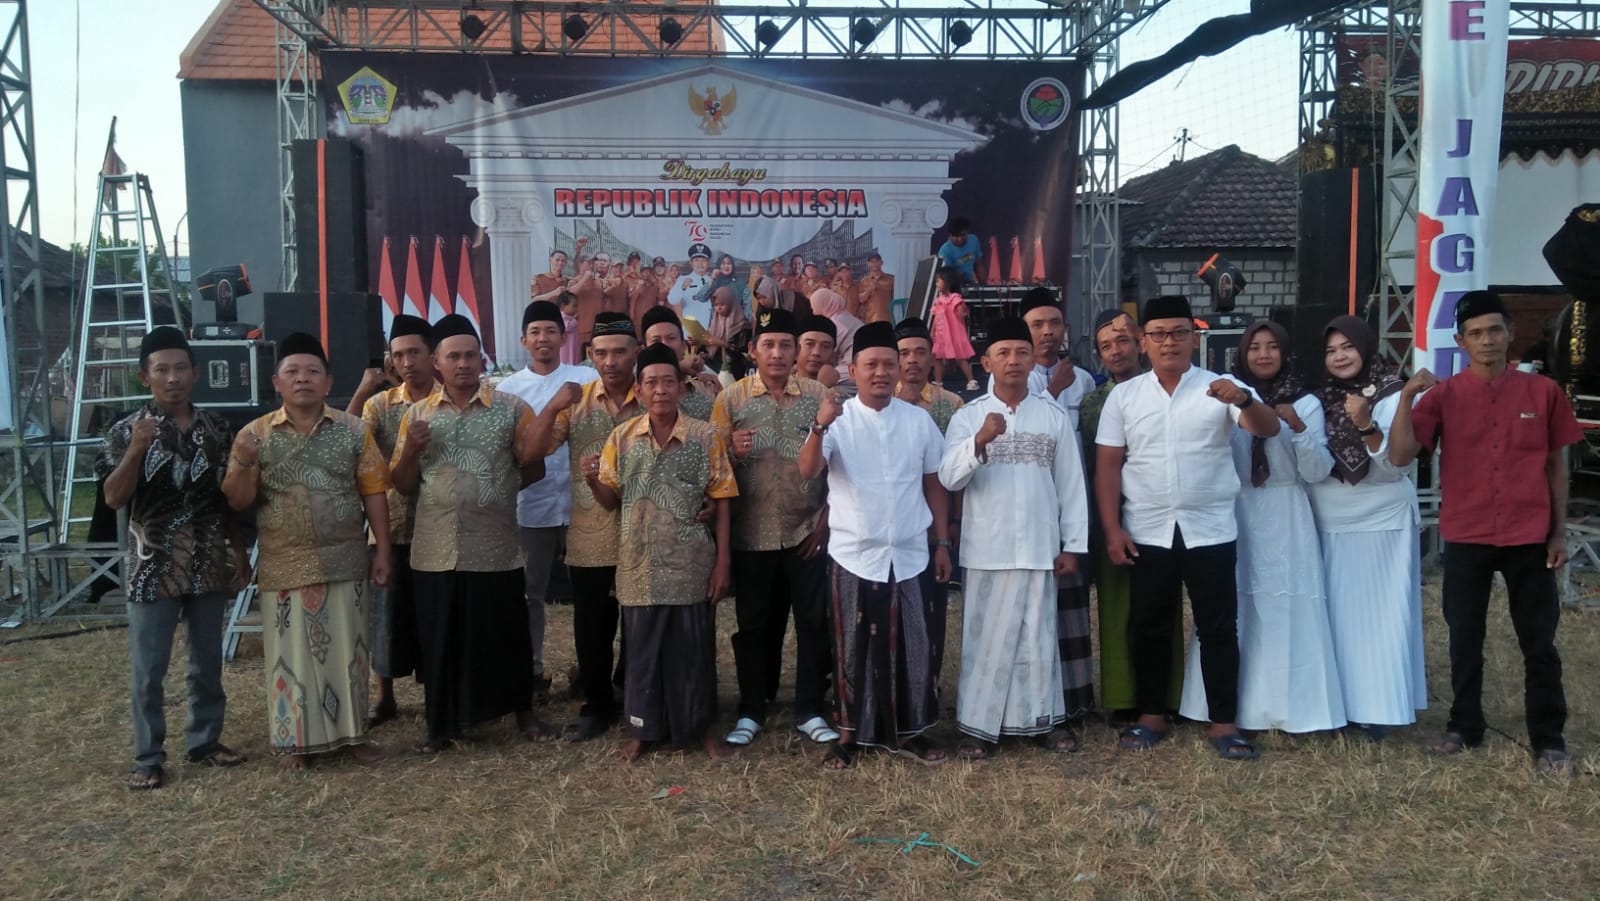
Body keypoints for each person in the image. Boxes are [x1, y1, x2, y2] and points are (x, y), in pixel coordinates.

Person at [1387, 291, 1581, 773]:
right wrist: (1407, 397)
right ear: (1461, 342)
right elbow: (1400, 455)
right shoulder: (1444, 396)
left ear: (1510, 334)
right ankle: (1464, 726)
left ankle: (1549, 738)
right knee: (1464, 636)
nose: (1487, 340)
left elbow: (1556, 466)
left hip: (1529, 533)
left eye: (1495, 330)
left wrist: (1558, 533)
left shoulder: (1543, 393)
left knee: (1539, 641)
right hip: (1467, 531)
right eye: (1475, 333)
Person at [1095, 296, 1281, 761]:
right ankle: (1151, 716)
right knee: (1150, 625)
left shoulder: (1220, 387)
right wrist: (1112, 529)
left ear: (1194, 339)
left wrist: (1243, 399)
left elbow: (1267, 428)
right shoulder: (1125, 396)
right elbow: (1108, 465)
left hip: (1210, 528)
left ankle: (1224, 723)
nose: (1169, 342)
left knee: (1218, 627)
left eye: (1179, 332)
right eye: (1158, 334)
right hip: (1148, 529)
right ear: (1143, 342)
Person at [222, 333, 391, 770]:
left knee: (351, 651)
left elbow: (373, 491)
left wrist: (382, 550)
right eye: (292, 372)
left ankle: (354, 737)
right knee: (291, 655)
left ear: (328, 381)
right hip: (285, 562)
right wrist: (243, 462)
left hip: (345, 558)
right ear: (276, 382)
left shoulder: (354, 430)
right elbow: (237, 501)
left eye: (313, 371)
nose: (303, 379)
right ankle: (293, 742)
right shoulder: (253, 435)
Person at [388, 314, 554, 752]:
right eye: (453, 357)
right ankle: (440, 727)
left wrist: (497, 489)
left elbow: (533, 465)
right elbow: (402, 484)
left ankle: (522, 712)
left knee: (506, 633)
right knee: (439, 639)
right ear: (437, 363)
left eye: (470, 356)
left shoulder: (510, 409)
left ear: (483, 360)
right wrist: (410, 451)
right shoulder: (417, 415)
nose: (463, 364)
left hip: (495, 544)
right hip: (435, 547)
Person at [798, 321, 953, 769]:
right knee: (852, 647)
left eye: (889, 364)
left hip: (910, 552)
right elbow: (807, 470)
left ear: (899, 369)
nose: (881, 372)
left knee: (915, 643)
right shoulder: (837, 419)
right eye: (871, 365)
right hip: (854, 554)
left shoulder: (918, 421)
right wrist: (818, 425)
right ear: (854, 370)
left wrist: (942, 542)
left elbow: (934, 484)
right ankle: (849, 734)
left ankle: (912, 730)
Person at [1177, 321, 1345, 735]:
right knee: (1231, 608)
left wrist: (1299, 429)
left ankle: (1292, 708)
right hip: (1236, 508)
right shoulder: (1223, 394)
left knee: (1285, 608)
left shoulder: (1305, 402)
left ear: (1286, 353)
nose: (1264, 354)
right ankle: (1234, 705)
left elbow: (1317, 470)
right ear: (1242, 353)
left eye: (1272, 347)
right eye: (1255, 347)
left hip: (1286, 512)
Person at [100, 327, 249, 790]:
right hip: (152, 564)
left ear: (195, 373)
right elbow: (112, 498)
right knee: (150, 668)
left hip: (207, 558)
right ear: (144, 377)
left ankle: (204, 741)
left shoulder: (217, 428)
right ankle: (148, 756)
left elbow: (227, 498)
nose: (173, 378)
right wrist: (136, 449)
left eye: (181, 368)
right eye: (162, 370)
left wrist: (239, 552)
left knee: (207, 661)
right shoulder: (125, 430)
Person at [940, 317, 1089, 758]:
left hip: (1041, 547)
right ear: (986, 362)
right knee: (986, 640)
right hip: (988, 548)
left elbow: (1071, 485)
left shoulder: (1052, 416)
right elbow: (949, 478)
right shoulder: (968, 417)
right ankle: (978, 727)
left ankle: (1043, 721)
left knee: (1038, 637)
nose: (1014, 360)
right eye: (1003, 353)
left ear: (1032, 360)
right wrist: (979, 441)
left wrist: (1073, 545)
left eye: (1022, 352)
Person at [587, 343, 738, 761]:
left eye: (668, 382)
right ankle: (642, 730)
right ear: (638, 390)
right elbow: (611, 500)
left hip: (691, 562)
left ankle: (702, 728)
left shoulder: (706, 436)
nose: (659, 390)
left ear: (681, 387)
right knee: (642, 652)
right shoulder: (622, 437)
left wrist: (723, 562)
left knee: (694, 650)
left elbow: (723, 498)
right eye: (651, 383)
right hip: (638, 562)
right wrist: (592, 481)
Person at [712, 308, 837, 749]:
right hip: (752, 532)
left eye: (786, 345)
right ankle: (751, 709)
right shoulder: (731, 400)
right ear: (753, 351)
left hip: (807, 530)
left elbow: (842, 465)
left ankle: (810, 709)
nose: (778, 353)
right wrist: (729, 448)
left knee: (813, 622)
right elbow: (712, 468)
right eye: (768, 345)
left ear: (796, 350)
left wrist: (825, 521)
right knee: (753, 625)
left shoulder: (820, 396)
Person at [1305, 315, 1427, 737]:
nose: (1339, 357)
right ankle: (1341, 705)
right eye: (1331, 350)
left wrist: (1364, 423)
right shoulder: (1319, 397)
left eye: (1348, 347)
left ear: (1365, 348)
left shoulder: (1393, 392)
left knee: (1380, 618)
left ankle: (1379, 708)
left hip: (1381, 519)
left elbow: (1397, 464)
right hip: (1329, 518)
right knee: (1338, 619)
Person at [530, 313, 644, 741]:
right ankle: (596, 705)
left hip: (645, 532)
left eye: (620, 352)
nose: (610, 361)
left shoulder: (654, 394)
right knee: (593, 625)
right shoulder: (576, 402)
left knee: (640, 622)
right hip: (589, 534)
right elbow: (534, 451)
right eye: (602, 353)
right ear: (590, 355)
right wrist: (553, 406)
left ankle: (634, 697)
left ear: (636, 353)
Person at [496, 301, 601, 702]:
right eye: (535, 332)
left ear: (563, 336)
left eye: (550, 331)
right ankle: (532, 671)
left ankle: (589, 670)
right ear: (523, 340)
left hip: (584, 504)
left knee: (590, 595)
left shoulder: (586, 378)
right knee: (530, 594)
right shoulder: (507, 391)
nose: (543, 339)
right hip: (532, 506)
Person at [1080, 309, 1179, 723]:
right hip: (1113, 514)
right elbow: (1095, 464)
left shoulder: (1170, 389)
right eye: (1106, 346)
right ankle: (1123, 698)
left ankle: (1171, 696)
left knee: (1164, 605)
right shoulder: (1094, 402)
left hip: (1162, 514)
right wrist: (1107, 524)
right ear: (1099, 355)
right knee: (1117, 606)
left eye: (1122, 341)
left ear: (1139, 343)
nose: (1116, 351)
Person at [349, 314, 435, 727]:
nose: (407, 362)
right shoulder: (379, 406)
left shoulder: (450, 399)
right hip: (392, 525)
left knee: (432, 615)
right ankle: (385, 698)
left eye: (414, 352)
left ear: (432, 354)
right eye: (398, 355)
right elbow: (347, 437)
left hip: (440, 527)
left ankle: (437, 692)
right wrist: (363, 389)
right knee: (384, 616)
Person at [1021, 288, 1096, 429]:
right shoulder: (1010, 379)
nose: (1048, 331)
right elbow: (1019, 428)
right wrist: (1054, 389)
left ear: (1064, 329)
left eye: (1055, 323)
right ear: (1024, 332)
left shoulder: (1083, 379)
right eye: (1037, 325)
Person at [640, 305, 722, 416]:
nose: (665, 346)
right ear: (643, 350)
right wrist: (680, 367)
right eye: (656, 340)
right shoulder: (633, 388)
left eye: (671, 338)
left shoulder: (706, 386)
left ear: (683, 346)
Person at [894, 317, 965, 434]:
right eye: (904, 353)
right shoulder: (881, 400)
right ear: (893, 360)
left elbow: (961, 444)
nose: (912, 360)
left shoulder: (952, 402)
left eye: (920, 353)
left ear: (932, 359)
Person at [928, 267, 978, 391]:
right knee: (937, 357)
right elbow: (936, 316)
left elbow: (962, 313)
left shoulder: (955, 298)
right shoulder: (939, 300)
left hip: (953, 334)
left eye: (938, 281)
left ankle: (971, 380)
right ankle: (938, 382)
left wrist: (959, 307)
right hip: (941, 334)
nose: (936, 284)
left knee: (959, 358)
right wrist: (933, 330)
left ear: (947, 282)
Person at [807, 288, 861, 387]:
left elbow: (828, 355)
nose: (814, 312)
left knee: (823, 377)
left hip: (852, 367)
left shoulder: (837, 323)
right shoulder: (844, 317)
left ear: (823, 305)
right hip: (856, 364)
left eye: (814, 307)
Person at [703, 285, 751, 381]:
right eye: (716, 305)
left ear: (730, 303)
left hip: (733, 369)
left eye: (722, 304)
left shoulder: (743, 324)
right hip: (714, 366)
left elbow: (742, 351)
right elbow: (708, 344)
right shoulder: (715, 322)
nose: (719, 308)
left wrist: (722, 343)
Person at [668, 243, 715, 326]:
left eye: (703, 260)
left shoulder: (713, 280)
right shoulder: (683, 279)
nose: (700, 264)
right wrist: (682, 288)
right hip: (692, 327)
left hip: (711, 326)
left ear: (708, 263)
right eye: (696, 260)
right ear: (691, 263)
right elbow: (672, 300)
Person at [797, 315, 841, 389]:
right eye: (809, 344)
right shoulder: (779, 384)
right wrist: (821, 386)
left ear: (833, 356)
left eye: (825, 346)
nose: (816, 352)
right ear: (796, 350)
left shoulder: (840, 394)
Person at [937, 217, 982, 286]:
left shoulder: (974, 240)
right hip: (954, 286)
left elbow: (978, 265)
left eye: (963, 235)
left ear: (967, 232)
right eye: (956, 236)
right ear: (950, 235)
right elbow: (946, 277)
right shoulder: (944, 251)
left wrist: (983, 284)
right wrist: (960, 277)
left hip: (970, 284)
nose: (960, 239)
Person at [854, 253, 895, 325]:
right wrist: (870, 289)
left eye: (876, 261)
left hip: (888, 319)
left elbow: (897, 298)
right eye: (872, 262)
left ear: (881, 262)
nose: (874, 264)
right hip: (870, 320)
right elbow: (860, 299)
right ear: (868, 264)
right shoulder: (864, 281)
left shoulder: (891, 279)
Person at [556, 291, 582, 366]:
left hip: (572, 345)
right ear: (563, 306)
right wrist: (574, 319)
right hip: (566, 347)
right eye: (574, 306)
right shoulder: (562, 317)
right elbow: (566, 327)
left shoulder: (568, 317)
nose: (576, 309)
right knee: (568, 360)